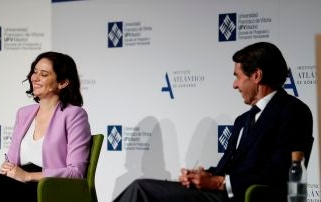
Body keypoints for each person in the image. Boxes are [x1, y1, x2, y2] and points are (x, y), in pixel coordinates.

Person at [113, 42, 313, 202]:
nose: (234, 85)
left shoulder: (293, 111)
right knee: (143, 188)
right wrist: (200, 177)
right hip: (218, 194)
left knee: (141, 190)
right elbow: (225, 169)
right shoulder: (242, 120)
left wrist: (218, 183)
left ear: (256, 75)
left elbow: (282, 174)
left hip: (244, 197)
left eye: (237, 77)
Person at [0, 51, 92, 202]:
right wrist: (8, 168)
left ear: (62, 82)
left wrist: (28, 176)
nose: (35, 78)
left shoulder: (74, 115)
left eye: (44, 74)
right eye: (35, 72)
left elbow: (76, 172)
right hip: (19, 184)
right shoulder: (23, 113)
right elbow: (12, 161)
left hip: (49, 188)